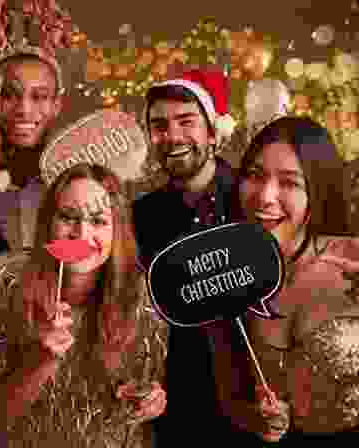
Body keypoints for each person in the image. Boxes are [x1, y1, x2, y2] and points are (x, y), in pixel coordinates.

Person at [0, 160, 168, 447]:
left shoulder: (142, 296)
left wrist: (153, 401)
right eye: (68, 216)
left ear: (117, 231)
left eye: (98, 221)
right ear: (48, 222)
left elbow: (143, 394)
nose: (81, 234)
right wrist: (41, 359)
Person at [219, 115, 359, 443]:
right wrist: (264, 420)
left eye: (289, 183)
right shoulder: (231, 279)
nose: (264, 197)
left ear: (317, 191)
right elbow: (232, 401)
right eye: (255, 175)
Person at [131, 68, 248, 445]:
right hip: (180, 411)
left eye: (186, 122)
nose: (173, 137)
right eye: (160, 125)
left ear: (212, 130)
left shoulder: (254, 200)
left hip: (256, 403)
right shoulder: (141, 216)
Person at [0, 45, 65, 252]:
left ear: (56, 105)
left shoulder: (74, 177)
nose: (24, 109)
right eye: (9, 95)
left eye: (39, 96)